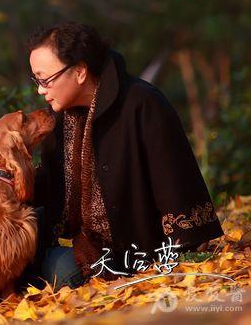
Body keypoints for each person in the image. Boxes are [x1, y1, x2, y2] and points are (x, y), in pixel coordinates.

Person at [22, 21, 223, 291]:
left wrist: (185, 253)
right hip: (81, 246)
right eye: (37, 80)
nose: (40, 90)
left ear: (80, 71)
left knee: (59, 271)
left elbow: (175, 182)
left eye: (45, 80)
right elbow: (47, 186)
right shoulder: (61, 120)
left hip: (134, 255)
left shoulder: (142, 103)